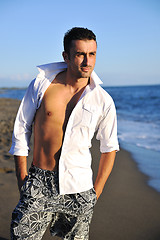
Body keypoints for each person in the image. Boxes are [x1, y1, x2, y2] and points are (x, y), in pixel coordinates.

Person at [9, 27, 119, 239]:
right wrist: (22, 178)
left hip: (79, 187)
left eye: (92, 54)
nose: (87, 61)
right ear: (66, 56)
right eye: (80, 54)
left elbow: (109, 148)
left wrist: (96, 193)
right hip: (39, 182)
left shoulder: (103, 100)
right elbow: (21, 128)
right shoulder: (42, 85)